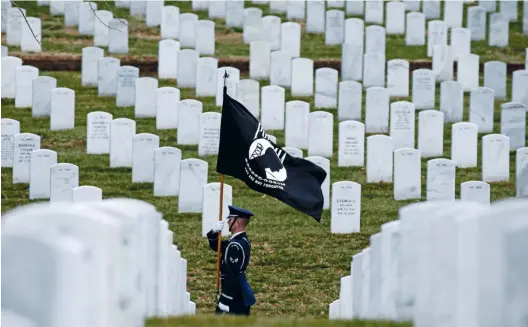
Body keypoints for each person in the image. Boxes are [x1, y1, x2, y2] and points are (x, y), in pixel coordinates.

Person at [207, 205, 256, 316]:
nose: (228, 222)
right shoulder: (239, 241)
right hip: (236, 295)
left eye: (230, 219)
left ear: (237, 222)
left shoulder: (236, 245)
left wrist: (226, 299)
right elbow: (217, 246)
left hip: (233, 297)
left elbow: (232, 274)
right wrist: (214, 232)